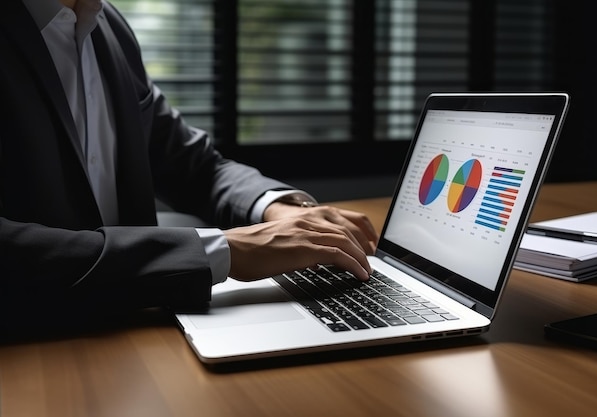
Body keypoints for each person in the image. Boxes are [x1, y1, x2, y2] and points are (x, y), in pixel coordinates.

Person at [0, 0, 378, 331]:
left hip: (131, 324)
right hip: (36, 345)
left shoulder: (106, 24)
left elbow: (192, 164)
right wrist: (223, 251)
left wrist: (274, 207)